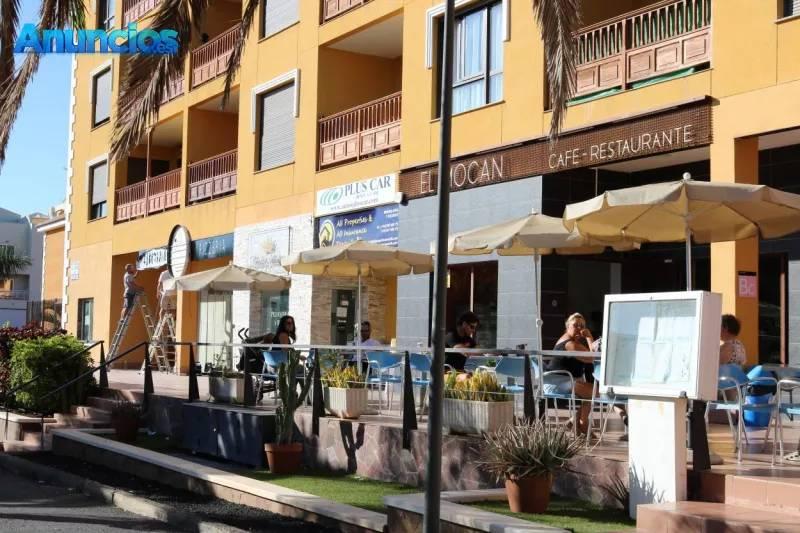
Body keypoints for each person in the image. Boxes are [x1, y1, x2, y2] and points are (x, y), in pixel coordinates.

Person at [550, 313, 600, 436]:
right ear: (567, 326)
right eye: (575, 325)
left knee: (591, 392)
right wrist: (589, 337)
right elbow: (592, 357)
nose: (579, 328)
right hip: (558, 383)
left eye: (582, 326)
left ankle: (576, 422)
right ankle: (581, 423)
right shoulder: (569, 343)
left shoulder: (571, 341)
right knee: (596, 392)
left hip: (561, 381)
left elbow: (589, 356)